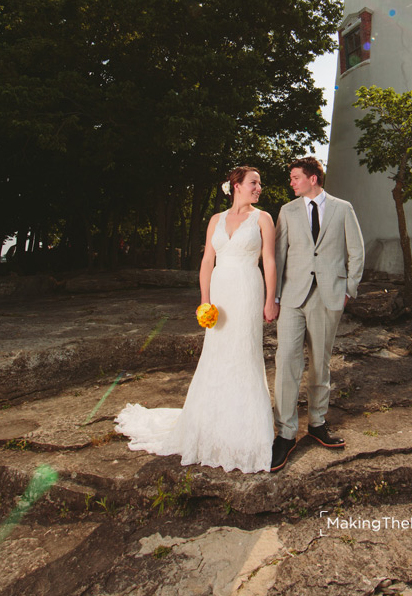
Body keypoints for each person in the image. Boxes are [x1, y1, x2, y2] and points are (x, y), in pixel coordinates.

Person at [115, 167, 276, 473]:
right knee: (215, 355)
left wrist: (270, 298)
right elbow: (206, 261)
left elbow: (269, 260)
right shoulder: (216, 220)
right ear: (237, 186)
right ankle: (208, 425)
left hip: (246, 290)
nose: (259, 187)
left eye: (259, 183)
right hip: (220, 292)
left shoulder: (263, 218)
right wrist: (205, 300)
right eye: (254, 182)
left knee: (244, 354)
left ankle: (244, 432)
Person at [271, 157, 364, 471]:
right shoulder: (287, 211)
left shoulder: (343, 208)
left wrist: (349, 289)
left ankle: (317, 423)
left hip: (328, 297)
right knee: (286, 361)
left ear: (313, 178)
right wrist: (275, 297)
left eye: (296, 177)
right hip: (292, 298)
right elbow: (279, 254)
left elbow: (356, 251)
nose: (291, 182)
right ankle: (285, 434)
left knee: (320, 362)